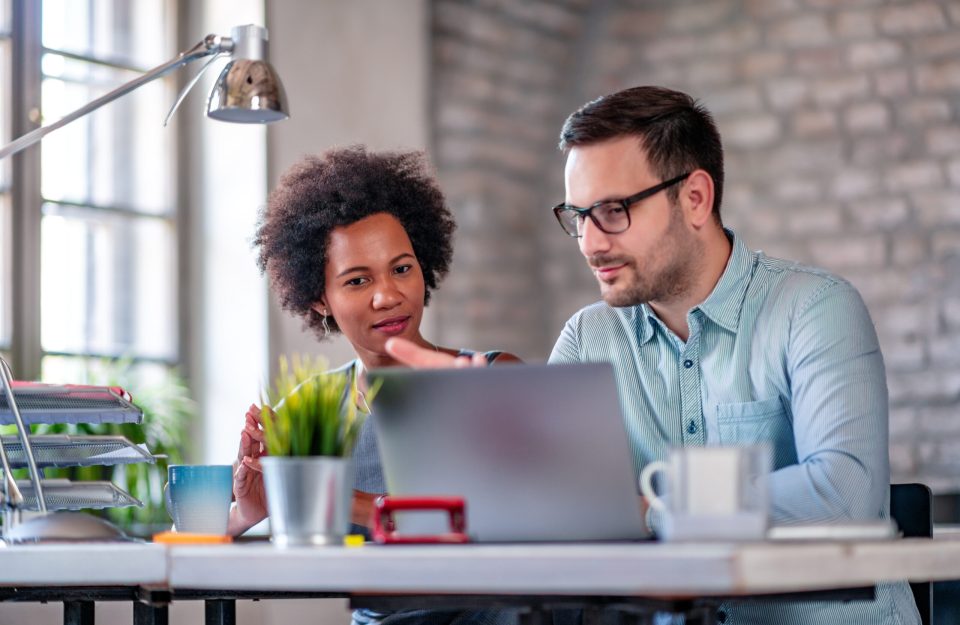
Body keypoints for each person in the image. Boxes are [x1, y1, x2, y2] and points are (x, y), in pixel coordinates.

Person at [386, 86, 919, 625]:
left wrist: (654, 508)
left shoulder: (814, 308)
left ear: (694, 198)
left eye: (613, 211)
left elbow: (843, 490)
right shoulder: (588, 338)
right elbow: (561, 515)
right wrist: (489, 442)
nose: (591, 243)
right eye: (578, 215)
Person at [227, 146, 520, 625]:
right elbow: (211, 536)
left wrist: (341, 497)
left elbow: (515, 524)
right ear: (321, 299)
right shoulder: (309, 409)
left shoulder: (492, 377)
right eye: (358, 280)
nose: (389, 295)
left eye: (402, 268)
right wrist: (250, 510)